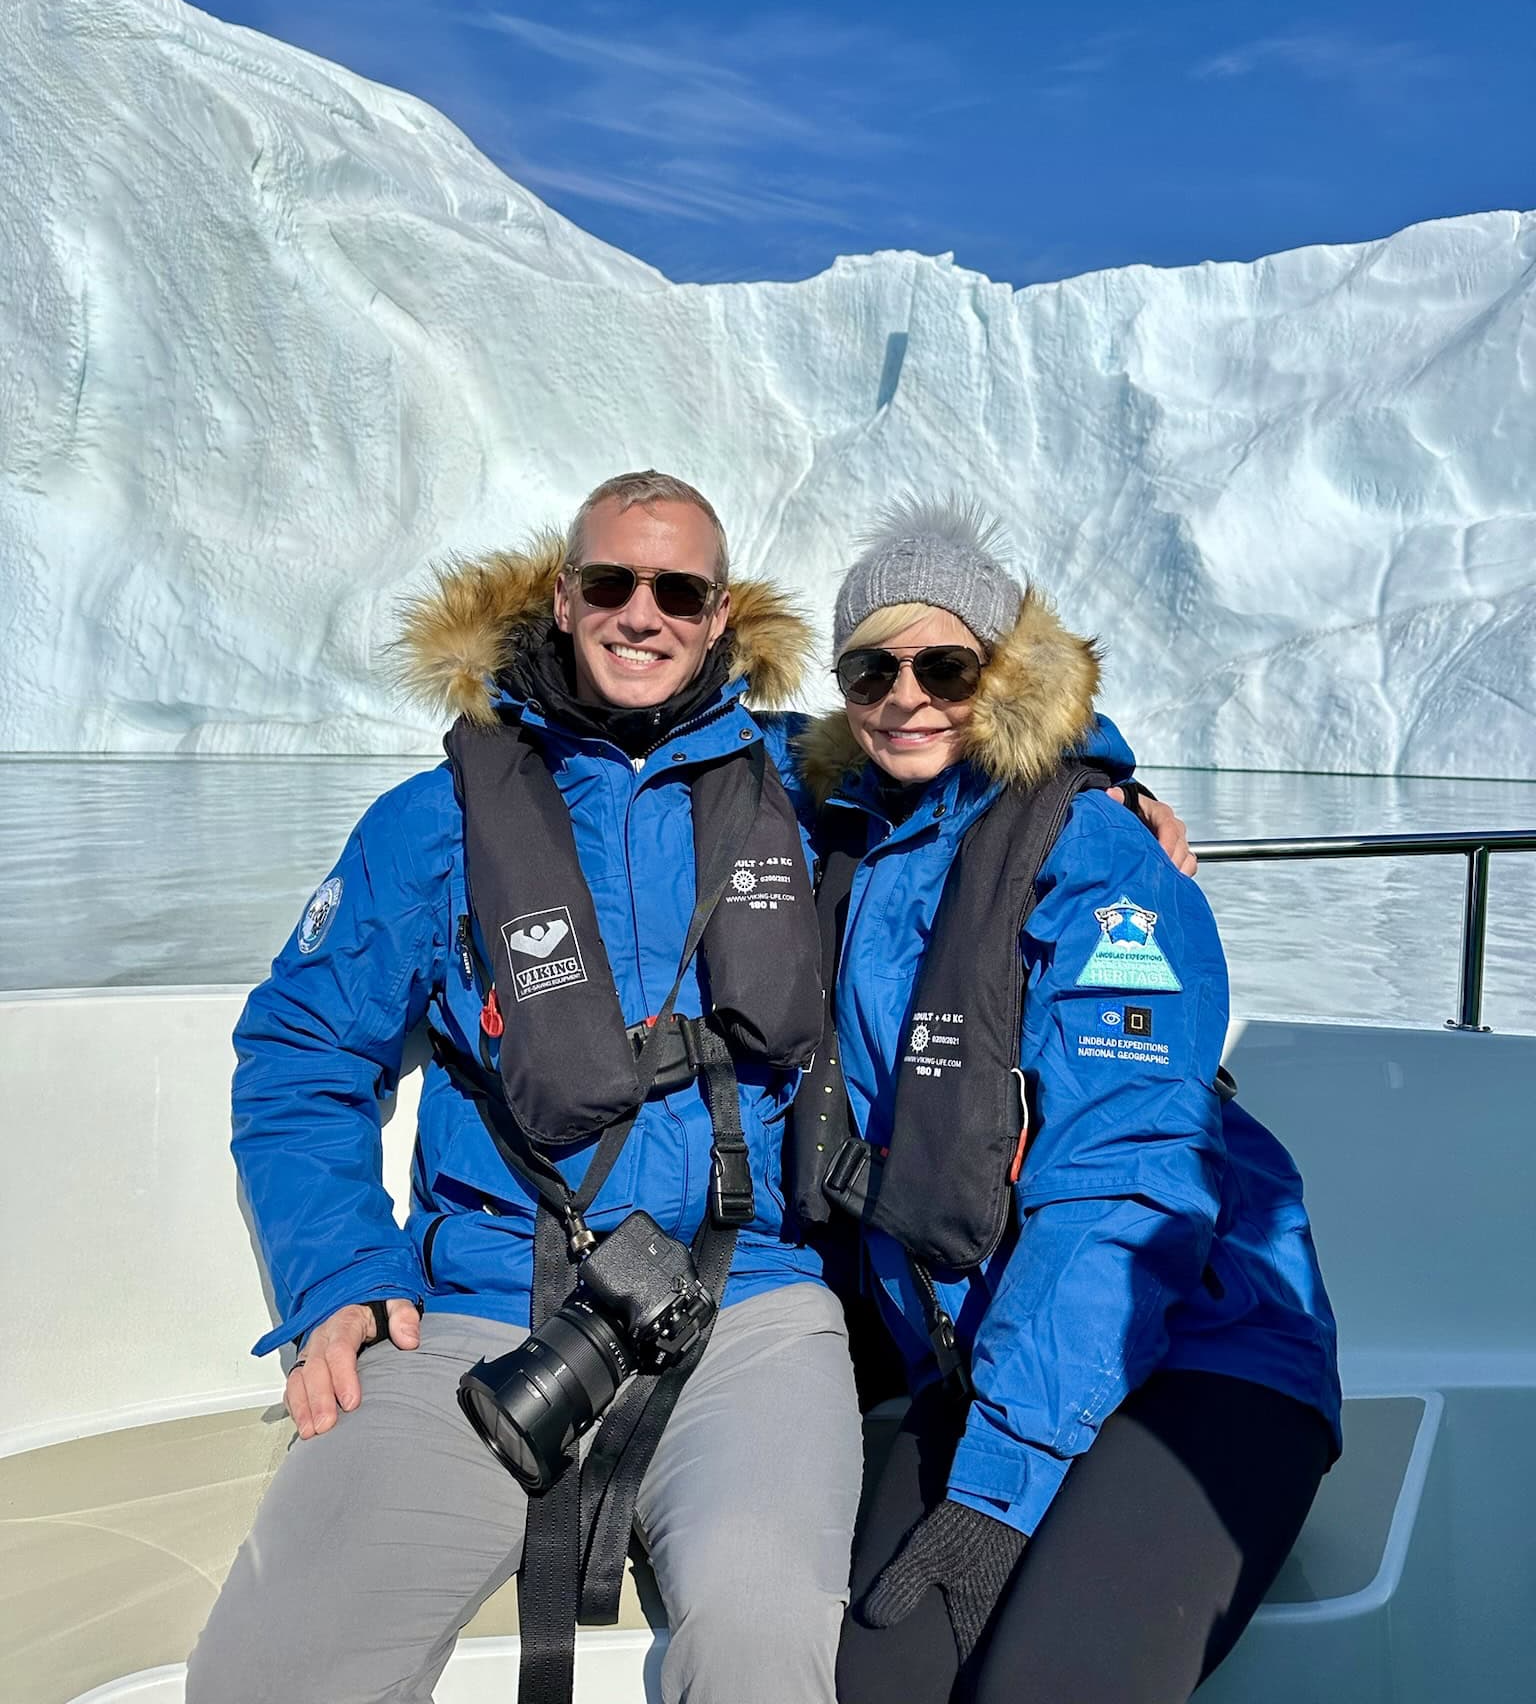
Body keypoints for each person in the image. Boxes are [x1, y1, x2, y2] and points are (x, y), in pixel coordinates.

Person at [188, 470, 1190, 1704]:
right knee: (271, 1669)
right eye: (611, 582)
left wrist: (1108, 785)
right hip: (482, 1305)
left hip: (752, 1316)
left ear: (722, 617)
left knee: (766, 1654)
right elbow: (301, 1047)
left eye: (679, 590)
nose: (641, 612)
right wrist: (338, 1271)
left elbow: (977, 755)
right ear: (562, 600)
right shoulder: (436, 818)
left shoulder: (803, 791)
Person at [787, 501, 1342, 1704]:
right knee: (869, 1684)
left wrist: (1000, 1485)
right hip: (981, 1352)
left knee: (1045, 1685)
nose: (908, 695)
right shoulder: (854, 830)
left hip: (1200, 1350)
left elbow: (1131, 1179)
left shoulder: (1099, 858)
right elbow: (667, 731)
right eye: (870, 668)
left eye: (947, 663)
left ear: (1005, 669)